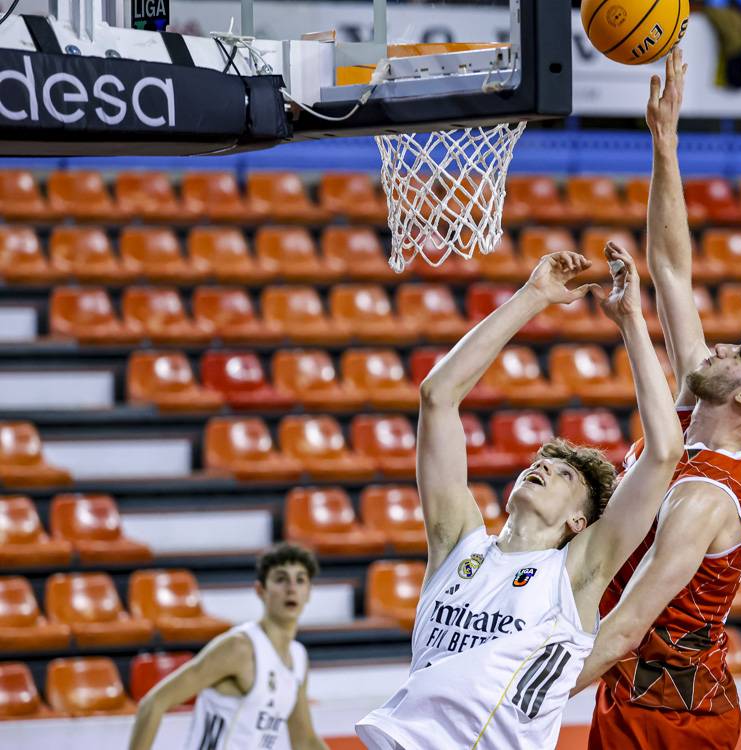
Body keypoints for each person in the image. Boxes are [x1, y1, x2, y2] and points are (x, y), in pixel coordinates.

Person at [575, 48, 741, 750]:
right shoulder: (700, 409)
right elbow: (672, 272)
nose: (721, 347)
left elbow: (627, 623)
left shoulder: (706, 497)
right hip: (638, 690)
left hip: (670, 715)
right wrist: (665, 143)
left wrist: (517, 696)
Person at [354, 245, 685, 750]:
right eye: (541, 462)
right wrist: (533, 297)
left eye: (564, 475)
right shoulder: (456, 545)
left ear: (579, 521)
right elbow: (436, 396)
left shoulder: (576, 574)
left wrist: (631, 323)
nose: (543, 466)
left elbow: (664, 453)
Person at [128, 542, 327, 750]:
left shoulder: (298, 657)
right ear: (260, 590)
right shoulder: (239, 647)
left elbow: (304, 740)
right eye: (280, 579)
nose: (291, 588)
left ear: (309, 592)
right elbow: (153, 704)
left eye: (300, 580)